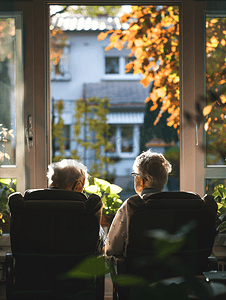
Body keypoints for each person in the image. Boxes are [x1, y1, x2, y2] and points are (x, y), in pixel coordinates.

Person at [105, 150, 217, 257]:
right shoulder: (195, 204)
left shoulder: (134, 206)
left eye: (135, 175)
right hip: (188, 272)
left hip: (143, 272)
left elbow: (112, 249)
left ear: (141, 180)